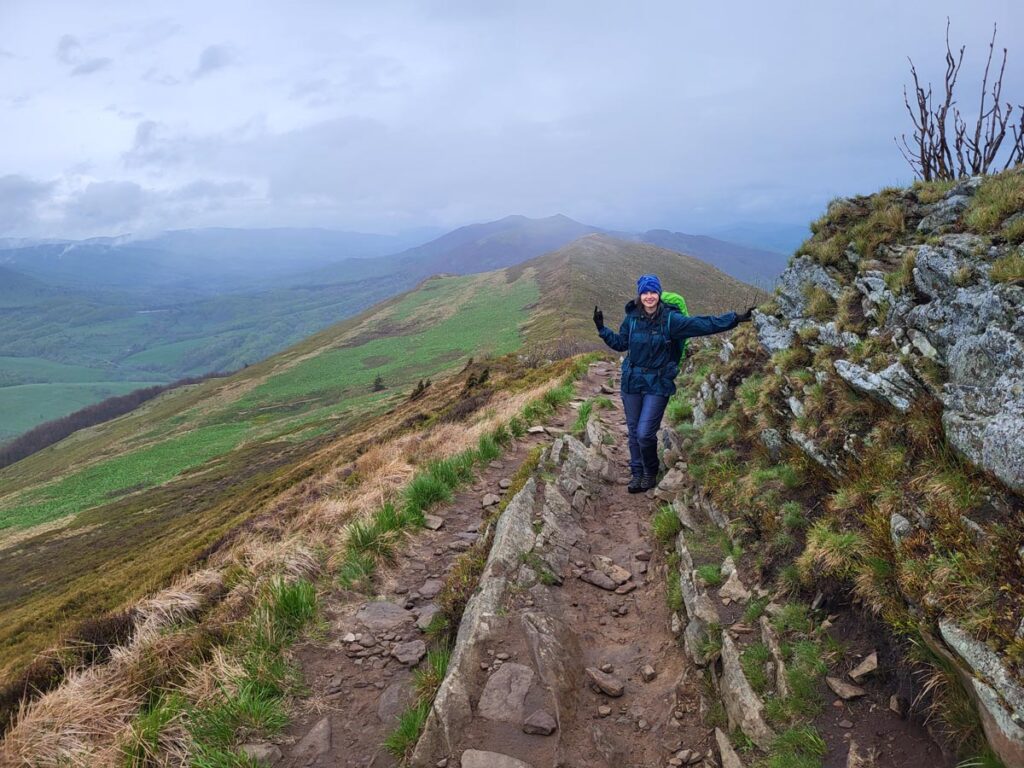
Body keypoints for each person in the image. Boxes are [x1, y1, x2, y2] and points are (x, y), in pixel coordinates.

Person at [594, 274, 754, 493]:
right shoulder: (631, 318)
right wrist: (602, 330)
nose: (649, 297)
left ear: (659, 294)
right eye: (645, 292)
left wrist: (734, 318)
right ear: (639, 295)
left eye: (653, 292)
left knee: (644, 433)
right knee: (633, 431)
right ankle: (637, 472)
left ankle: (650, 471)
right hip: (632, 381)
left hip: (658, 383)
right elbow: (622, 344)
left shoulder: (671, 320)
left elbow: (702, 324)